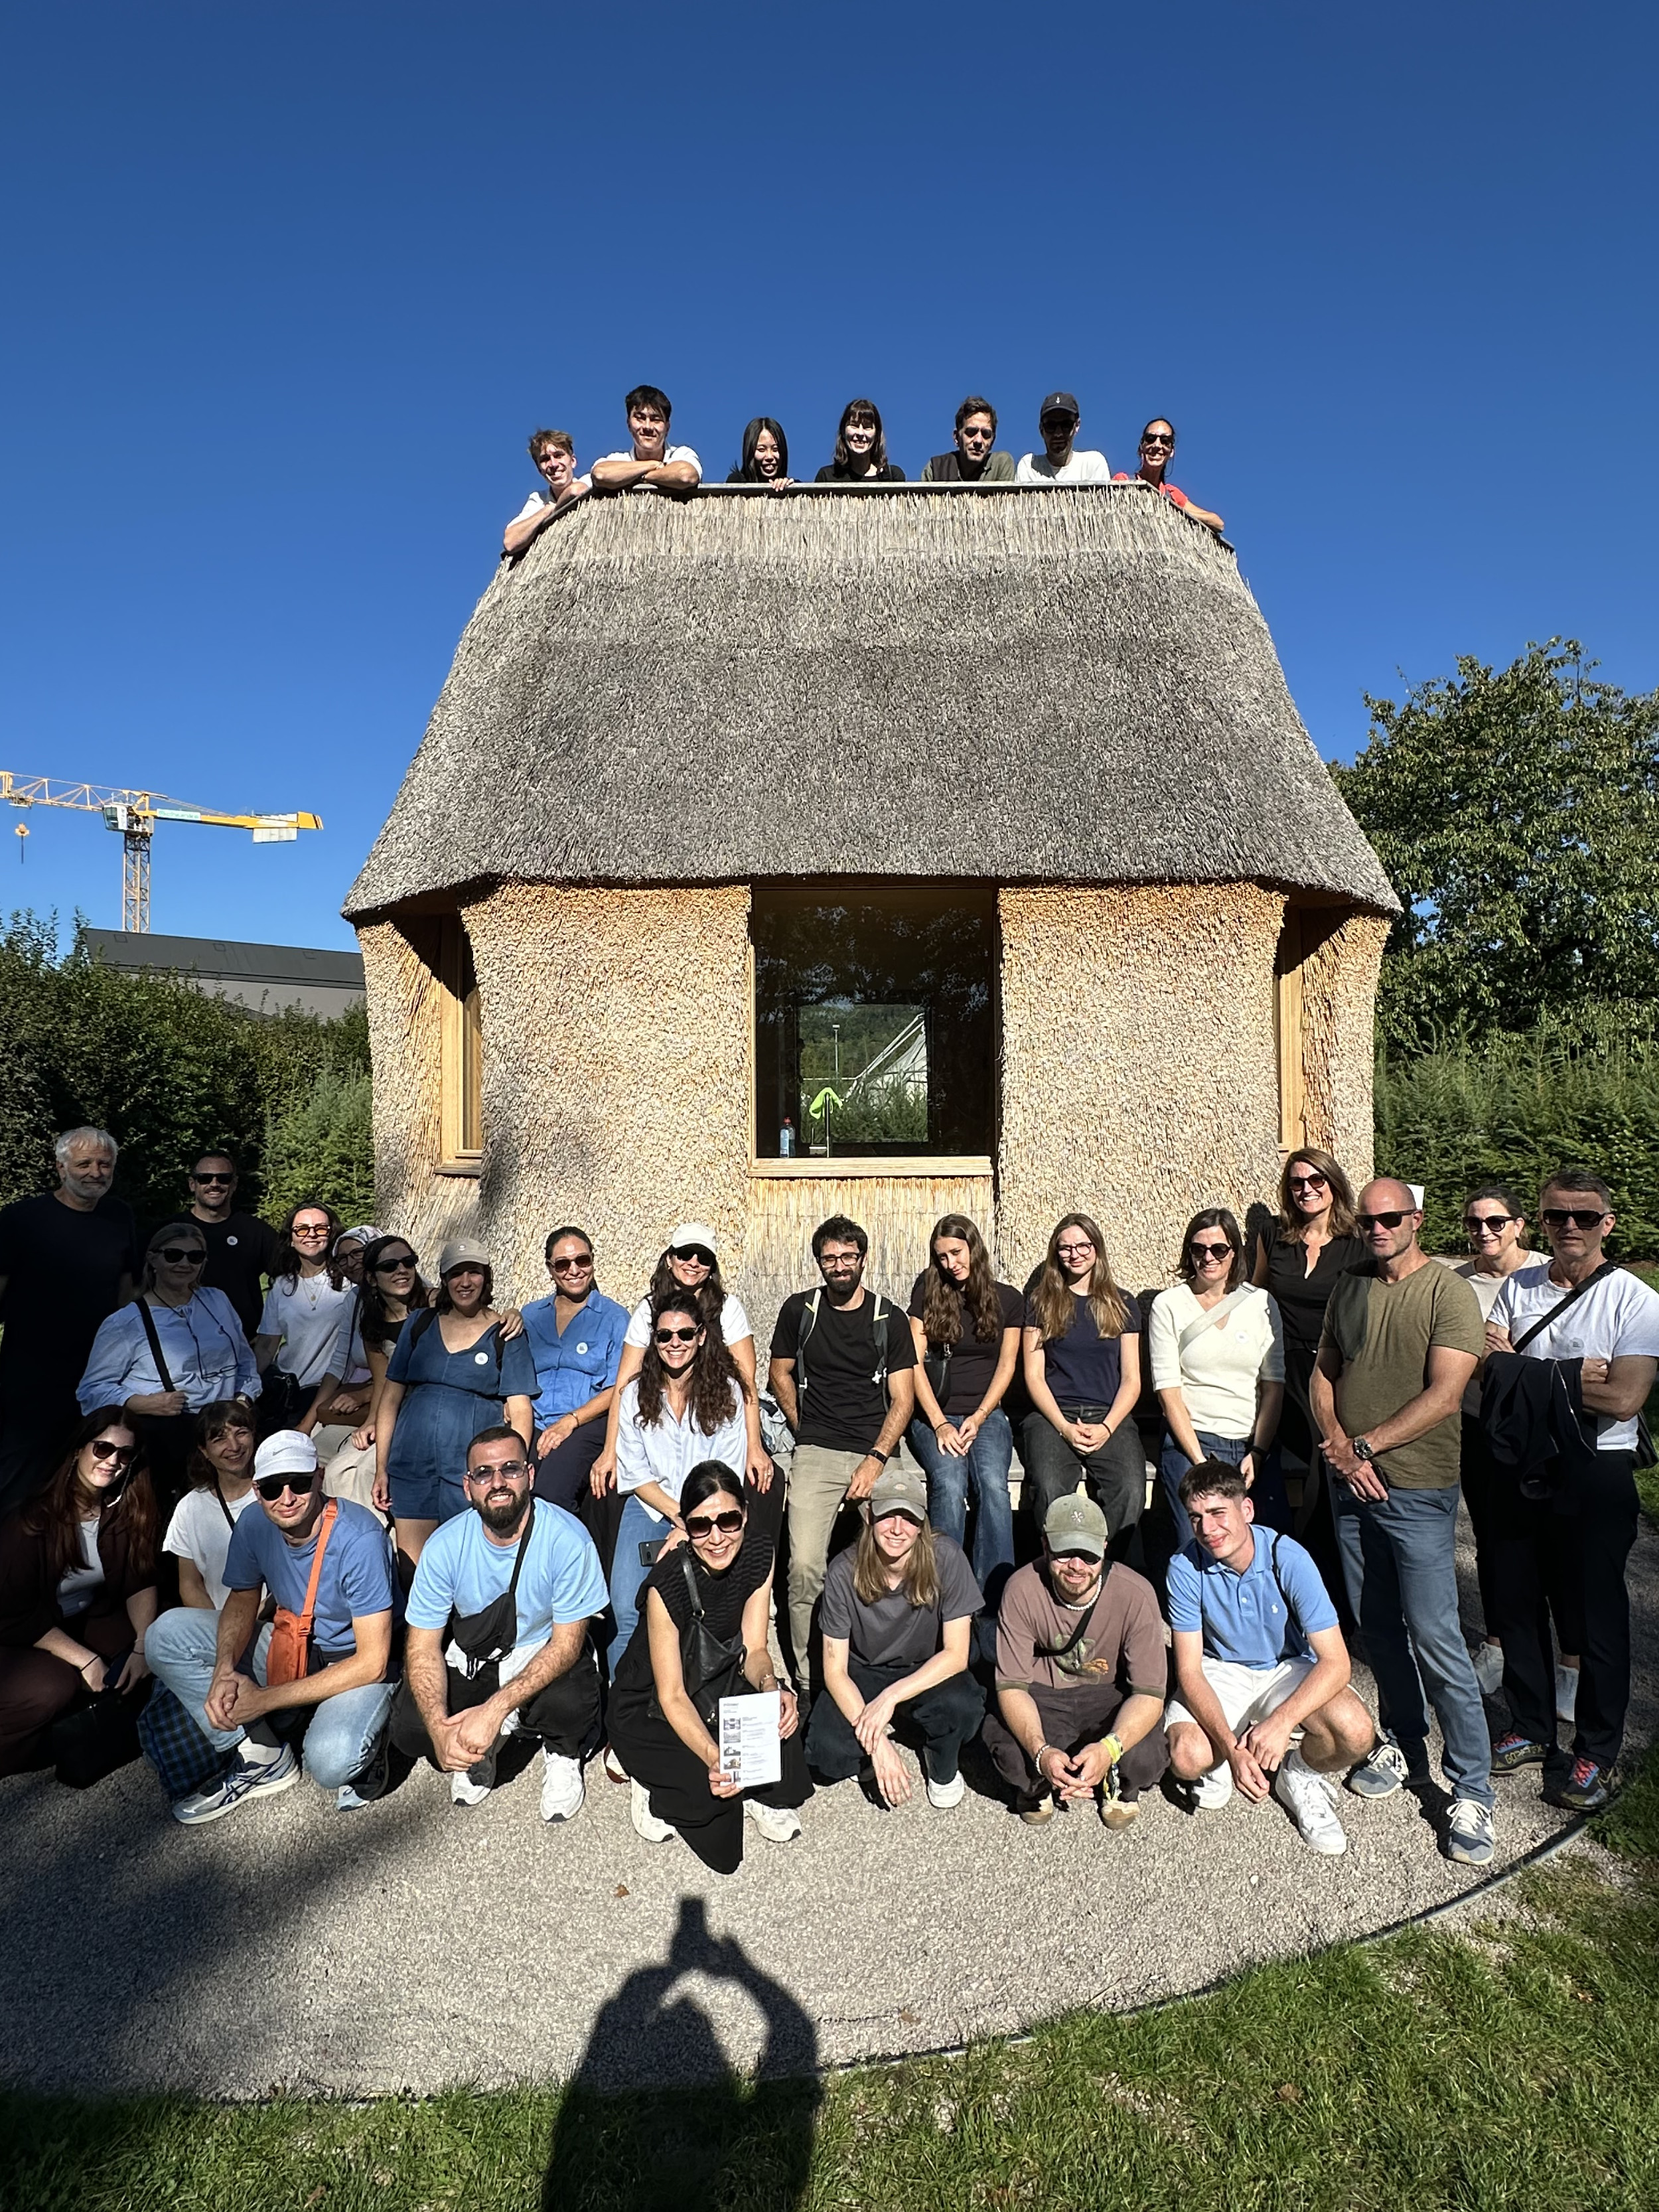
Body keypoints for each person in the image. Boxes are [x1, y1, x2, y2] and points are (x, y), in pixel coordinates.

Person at [1310, 1177, 1494, 1865]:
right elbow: (1322, 1373)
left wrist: (1363, 1448)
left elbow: (1446, 1396)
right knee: (1376, 1625)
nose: (1378, 1227)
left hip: (1414, 1488)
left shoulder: (1447, 1293)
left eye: (1391, 1217)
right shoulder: (1350, 1285)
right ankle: (1402, 1741)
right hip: (1350, 1485)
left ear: (1416, 1219)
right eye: (1368, 1218)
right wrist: (1336, 1443)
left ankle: (1471, 1789)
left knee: (1437, 1637)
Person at [1484, 1168, 1659, 1811]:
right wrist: (1559, 1376)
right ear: (1541, 1220)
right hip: (1522, 1465)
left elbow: (1622, 1398)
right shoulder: (1518, 1285)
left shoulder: (1635, 1301)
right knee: (1516, 1602)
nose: (1569, 1228)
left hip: (1595, 1471)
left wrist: (1521, 1371)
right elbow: (1484, 1374)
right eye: (1557, 1215)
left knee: (1595, 1619)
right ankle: (1530, 1726)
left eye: (1584, 1217)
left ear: (1607, 1224)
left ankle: (1594, 1748)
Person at [144, 1429, 398, 1822]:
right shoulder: (254, 1523)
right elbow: (244, 1597)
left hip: (353, 1660)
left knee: (330, 1763)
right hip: (292, 1643)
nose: (286, 1498)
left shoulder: (359, 1539)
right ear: (256, 1489)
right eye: (271, 1488)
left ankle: (376, 1726)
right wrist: (223, 1669)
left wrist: (262, 1700)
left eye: (298, 1483)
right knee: (165, 1634)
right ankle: (261, 1755)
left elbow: (373, 1662)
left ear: (319, 1477)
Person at [391, 1425, 606, 1820]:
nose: (499, 1482)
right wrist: (440, 1729)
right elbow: (421, 1646)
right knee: (411, 1727)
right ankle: (479, 1745)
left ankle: (562, 1751)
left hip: (542, 1648)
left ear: (531, 1475)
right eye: (484, 1473)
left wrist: (493, 1711)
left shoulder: (568, 1539)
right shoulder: (444, 1546)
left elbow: (567, 1645)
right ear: (467, 1487)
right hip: (481, 1654)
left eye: (511, 1468)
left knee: (571, 1703)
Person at [609, 1461, 810, 1872]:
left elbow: (754, 1648)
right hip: (652, 1703)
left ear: (745, 1515)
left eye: (728, 1520)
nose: (717, 1537)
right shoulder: (667, 1584)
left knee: (786, 1756)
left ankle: (744, 1780)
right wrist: (711, 1754)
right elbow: (671, 1694)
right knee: (718, 1830)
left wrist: (771, 1688)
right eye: (701, 1526)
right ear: (686, 1525)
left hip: (714, 1681)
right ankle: (648, 1778)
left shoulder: (758, 1552)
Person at [1165, 1461, 1374, 1855]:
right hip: (1221, 1667)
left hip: (1286, 1665)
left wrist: (1282, 1724)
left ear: (1247, 1510)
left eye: (1217, 1513)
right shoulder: (1183, 1567)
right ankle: (1226, 1754)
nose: (1206, 1530)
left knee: (1356, 1732)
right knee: (1187, 1757)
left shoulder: (1287, 1556)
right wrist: (1232, 1749)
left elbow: (1337, 1662)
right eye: (1196, 1517)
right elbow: (1189, 1671)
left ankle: (1299, 1773)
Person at [768, 1215, 918, 1683]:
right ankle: (812, 1678)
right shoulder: (801, 1310)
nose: (839, 1266)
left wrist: (876, 1459)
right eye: (830, 1258)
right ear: (819, 1262)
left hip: (876, 1451)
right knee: (805, 1566)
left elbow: (904, 1398)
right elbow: (779, 1373)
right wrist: (803, 1424)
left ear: (863, 1259)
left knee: (897, 1556)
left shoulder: (887, 1317)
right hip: (816, 1449)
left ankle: (886, 1663)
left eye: (848, 1257)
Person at [804, 1463, 985, 1811]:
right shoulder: (844, 1570)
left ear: (922, 1525)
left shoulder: (946, 1557)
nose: (898, 1529)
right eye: (888, 1516)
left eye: (910, 1519)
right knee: (823, 1755)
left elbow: (956, 1653)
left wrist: (889, 1699)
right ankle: (877, 1746)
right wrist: (878, 1748)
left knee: (965, 1710)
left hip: (926, 1665)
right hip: (865, 1668)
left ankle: (938, 1756)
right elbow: (835, 1671)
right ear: (870, 1517)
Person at [981, 1493, 1168, 1829]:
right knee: (1011, 1751)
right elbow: (1011, 1686)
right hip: (1043, 1693)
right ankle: (1040, 1783)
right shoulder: (1021, 1589)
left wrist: (1110, 1748)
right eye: (1065, 1553)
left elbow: (1150, 1693)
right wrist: (1040, 1753)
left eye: (1088, 1555)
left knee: (1147, 1758)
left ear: (1105, 1548)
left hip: (1108, 1694)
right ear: (1045, 1546)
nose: (1077, 1566)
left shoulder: (1136, 1593)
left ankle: (1117, 1782)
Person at [0, 1409, 156, 1777]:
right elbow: (12, 1614)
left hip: (80, 1617)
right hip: (18, 1633)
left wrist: (143, 1645)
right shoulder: (30, 1521)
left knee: (162, 1630)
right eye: (102, 1448)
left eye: (125, 1454)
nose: (113, 1461)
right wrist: (85, 1659)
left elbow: (140, 1578)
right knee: (52, 1686)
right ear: (77, 1451)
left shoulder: (124, 1508)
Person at [0, 1127, 137, 1516]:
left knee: (91, 1472)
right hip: (31, 1372)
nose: (96, 1172)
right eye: (84, 1164)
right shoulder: (20, 1220)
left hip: (100, 1371)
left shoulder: (119, 1216)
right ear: (61, 1168)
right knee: (20, 1476)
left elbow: (127, 1290)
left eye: (104, 1164)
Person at [611, 1293, 752, 1668]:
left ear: (702, 1337)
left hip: (709, 1511)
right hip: (652, 1507)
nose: (675, 1343)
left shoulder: (727, 1392)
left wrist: (694, 1524)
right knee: (625, 1611)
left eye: (685, 1334)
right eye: (664, 1336)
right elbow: (635, 1472)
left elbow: (726, 1470)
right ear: (653, 1340)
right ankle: (624, 1706)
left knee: (705, 1610)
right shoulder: (634, 1394)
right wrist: (679, 1517)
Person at [373, 1238, 536, 1562]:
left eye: (473, 1273)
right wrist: (381, 1467)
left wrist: (515, 1470)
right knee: (413, 1566)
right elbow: (390, 1399)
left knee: (467, 1560)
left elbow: (520, 1409)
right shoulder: (419, 1324)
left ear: (486, 1277)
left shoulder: (505, 1333)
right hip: (412, 1463)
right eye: (456, 1273)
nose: (465, 1282)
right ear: (444, 1279)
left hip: (470, 1469)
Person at [77, 1218, 259, 1504]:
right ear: (153, 1259)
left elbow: (245, 1359)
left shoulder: (217, 1301)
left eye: (195, 1256)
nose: (184, 1264)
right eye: (173, 1255)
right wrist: (144, 1403)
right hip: (170, 1441)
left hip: (225, 1434)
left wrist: (243, 1398)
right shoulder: (127, 1322)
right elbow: (91, 1390)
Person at [1252, 1147, 1366, 1600]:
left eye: (1317, 1180)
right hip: (1284, 1368)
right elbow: (1253, 1296)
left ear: (1334, 1184)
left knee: (1327, 1466)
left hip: (1338, 1369)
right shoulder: (1273, 1237)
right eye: (1298, 1182)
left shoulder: (1358, 1239)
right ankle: (1281, 1581)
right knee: (1276, 1460)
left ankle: (1330, 1594)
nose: (1307, 1189)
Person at [594, 1224, 770, 1500]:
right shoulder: (648, 1310)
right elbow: (624, 1382)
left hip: (716, 1419)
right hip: (663, 1420)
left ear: (712, 1267)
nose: (693, 1263)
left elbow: (746, 1384)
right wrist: (609, 1450)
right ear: (670, 1259)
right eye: (686, 1254)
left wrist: (754, 1447)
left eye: (703, 1257)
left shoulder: (727, 1308)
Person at [141, 1397, 260, 1803]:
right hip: (220, 1628)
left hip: (275, 1624)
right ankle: (248, 1744)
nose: (233, 1445)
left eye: (241, 1432)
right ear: (204, 1451)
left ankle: (255, 1746)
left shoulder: (279, 1488)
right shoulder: (191, 1507)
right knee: (168, 1631)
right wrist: (222, 1637)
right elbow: (189, 1584)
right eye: (219, 1438)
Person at [904, 1214, 1022, 1621]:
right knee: (950, 1484)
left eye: (956, 1253)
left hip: (986, 1413)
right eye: (941, 1257)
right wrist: (939, 1423)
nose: (950, 1263)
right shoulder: (927, 1292)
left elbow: (1007, 1367)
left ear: (973, 1247)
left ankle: (993, 1600)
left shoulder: (1007, 1299)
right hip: (933, 1414)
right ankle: (946, 1596)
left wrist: (980, 1415)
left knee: (993, 1486)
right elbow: (913, 1364)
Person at [1149, 1207, 1288, 1546]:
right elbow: (1169, 1394)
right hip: (1194, 1442)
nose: (1208, 1258)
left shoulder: (1261, 1304)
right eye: (1199, 1249)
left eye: (1219, 1249)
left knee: (1268, 1543)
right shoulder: (1169, 1305)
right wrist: (1200, 1463)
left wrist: (1257, 1452)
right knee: (1197, 1541)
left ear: (1234, 1252)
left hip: (1251, 1442)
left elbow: (1273, 1387)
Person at [1451, 1183, 1538, 1700]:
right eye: (1474, 1223)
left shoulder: (1545, 1275)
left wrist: (1501, 1361)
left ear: (1519, 1225)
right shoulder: (1456, 1282)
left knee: (1550, 1543)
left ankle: (1566, 1660)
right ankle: (1498, 1643)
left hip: (1535, 1428)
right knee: (1490, 1538)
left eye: (1496, 1222)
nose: (1484, 1232)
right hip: (1477, 1423)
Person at [1020, 1213, 1145, 1553]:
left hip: (1109, 1415)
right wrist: (1063, 1427)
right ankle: (1058, 1563)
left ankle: (1105, 1564)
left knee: (1131, 1489)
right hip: (1052, 1416)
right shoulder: (1039, 1303)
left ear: (1097, 1249)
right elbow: (1033, 1375)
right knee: (1048, 1487)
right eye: (1065, 1248)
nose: (1075, 1254)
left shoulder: (1122, 1303)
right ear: (1055, 1253)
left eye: (1083, 1246)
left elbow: (1132, 1379)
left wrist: (1107, 1427)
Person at [319, 1234, 431, 1514]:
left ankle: (378, 1542)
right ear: (372, 1278)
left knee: (369, 1472)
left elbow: (481, 1317)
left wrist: (513, 1313)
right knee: (337, 1471)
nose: (401, 1270)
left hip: (427, 1414)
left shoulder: (436, 1303)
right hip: (395, 1412)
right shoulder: (373, 1323)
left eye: (408, 1262)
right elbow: (384, 1384)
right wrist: (371, 1423)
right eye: (390, 1266)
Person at [523, 1226, 630, 1512]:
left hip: (586, 1422)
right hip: (533, 1421)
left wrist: (571, 1420)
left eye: (582, 1261)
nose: (574, 1270)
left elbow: (618, 1388)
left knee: (550, 1493)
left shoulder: (614, 1318)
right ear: (550, 1269)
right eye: (563, 1264)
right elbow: (512, 1375)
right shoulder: (530, 1316)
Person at [253, 1201, 353, 1435]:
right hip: (287, 1388)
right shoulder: (282, 1285)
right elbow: (267, 1345)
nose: (311, 1235)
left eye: (320, 1228)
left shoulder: (350, 1282)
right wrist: (245, 1390)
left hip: (331, 1389)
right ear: (291, 1237)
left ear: (332, 1234)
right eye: (302, 1229)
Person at [180, 1150, 281, 1341]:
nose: (214, 1184)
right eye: (205, 1178)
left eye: (223, 1178)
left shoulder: (257, 1232)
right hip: (179, 1345)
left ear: (234, 1185)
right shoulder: (170, 1232)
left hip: (243, 1346)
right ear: (192, 1184)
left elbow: (290, 1278)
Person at [298, 1224, 380, 1453]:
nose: (351, 1263)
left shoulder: (410, 1297)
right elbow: (339, 1364)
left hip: (385, 1402)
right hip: (353, 1393)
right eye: (342, 1258)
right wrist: (308, 1422)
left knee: (324, 1454)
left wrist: (363, 1395)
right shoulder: (355, 1299)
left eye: (357, 1253)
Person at [1112, 419, 1224, 532]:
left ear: (1171, 452)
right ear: (1141, 447)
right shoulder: (1124, 481)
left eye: (1165, 441)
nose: (1157, 445)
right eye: (1151, 439)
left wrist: (1172, 508)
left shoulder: (1172, 494)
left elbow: (1218, 523)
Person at [590, 385, 701, 492]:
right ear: (629, 424)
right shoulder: (618, 458)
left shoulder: (681, 454)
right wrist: (654, 465)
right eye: (640, 418)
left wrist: (639, 477)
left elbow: (686, 476)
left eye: (656, 419)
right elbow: (600, 474)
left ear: (667, 427)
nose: (648, 427)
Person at [502, 428, 591, 555]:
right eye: (545, 459)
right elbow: (510, 542)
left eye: (558, 456)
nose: (553, 464)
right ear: (540, 470)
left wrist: (553, 509)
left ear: (573, 461)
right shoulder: (539, 499)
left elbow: (575, 490)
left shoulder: (588, 480)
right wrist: (545, 511)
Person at [1014, 392, 1112, 484]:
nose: (1058, 434)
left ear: (1077, 426)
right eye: (1051, 425)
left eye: (1066, 425)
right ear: (1041, 429)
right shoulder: (1030, 466)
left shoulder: (1093, 464)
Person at [920, 397, 1015, 484]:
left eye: (986, 434)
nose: (978, 441)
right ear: (957, 437)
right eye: (971, 432)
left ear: (992, 442)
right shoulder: (937, 468)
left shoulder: (1001, 464)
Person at [814, 399, 906, 482]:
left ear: (877, 434)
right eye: (854, 425)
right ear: (843, 431)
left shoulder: (893, 476)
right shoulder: (827, 477)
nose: (860, 434)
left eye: (867, 427)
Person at [727, 417, 792, 485]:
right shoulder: (737, 483)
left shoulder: (794, 486)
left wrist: (788, 490)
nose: (769, 457)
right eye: (762, 450)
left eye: (775, 449)